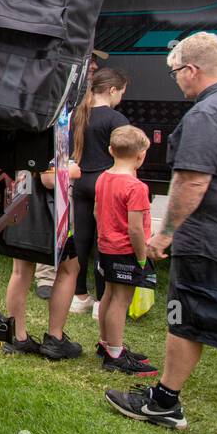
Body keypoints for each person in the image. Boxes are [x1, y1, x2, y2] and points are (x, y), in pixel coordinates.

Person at [106, 31, 217, 429]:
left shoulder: (207, 114)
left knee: (185, 316)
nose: (175, 79)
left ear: (192, 70)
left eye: (175, 72)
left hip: (208, 239)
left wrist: (166, 232)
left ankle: (163, 402)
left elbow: (192, 180)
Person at [3, 159, 84, 360]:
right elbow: (49, 179)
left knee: (20, 272)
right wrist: (71, 170)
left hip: (20, 203)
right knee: (69, 269)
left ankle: (17, 337)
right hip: (49, 215)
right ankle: (55, 340)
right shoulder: (46, 129)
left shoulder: (16, 129)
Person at [93, 125, 157, 376]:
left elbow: (97, 212)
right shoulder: (136, 187)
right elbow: (136, 229)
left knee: (108, 294)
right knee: (121, 300)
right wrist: (142, 257)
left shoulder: (103, 177)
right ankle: (116, 354)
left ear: (110, 150)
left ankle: (106, 343)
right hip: (126, 250)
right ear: (141, 156)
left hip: (106, 246)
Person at [69, 68, 131, 315]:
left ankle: (79, 295)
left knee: (81, 240)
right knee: (104, 242)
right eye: (122, 93)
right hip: (105, 183)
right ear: (112, 90)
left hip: (81, 182)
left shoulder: (78, 114)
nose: (121, 99)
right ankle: (101, 301)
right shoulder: (116, 119)